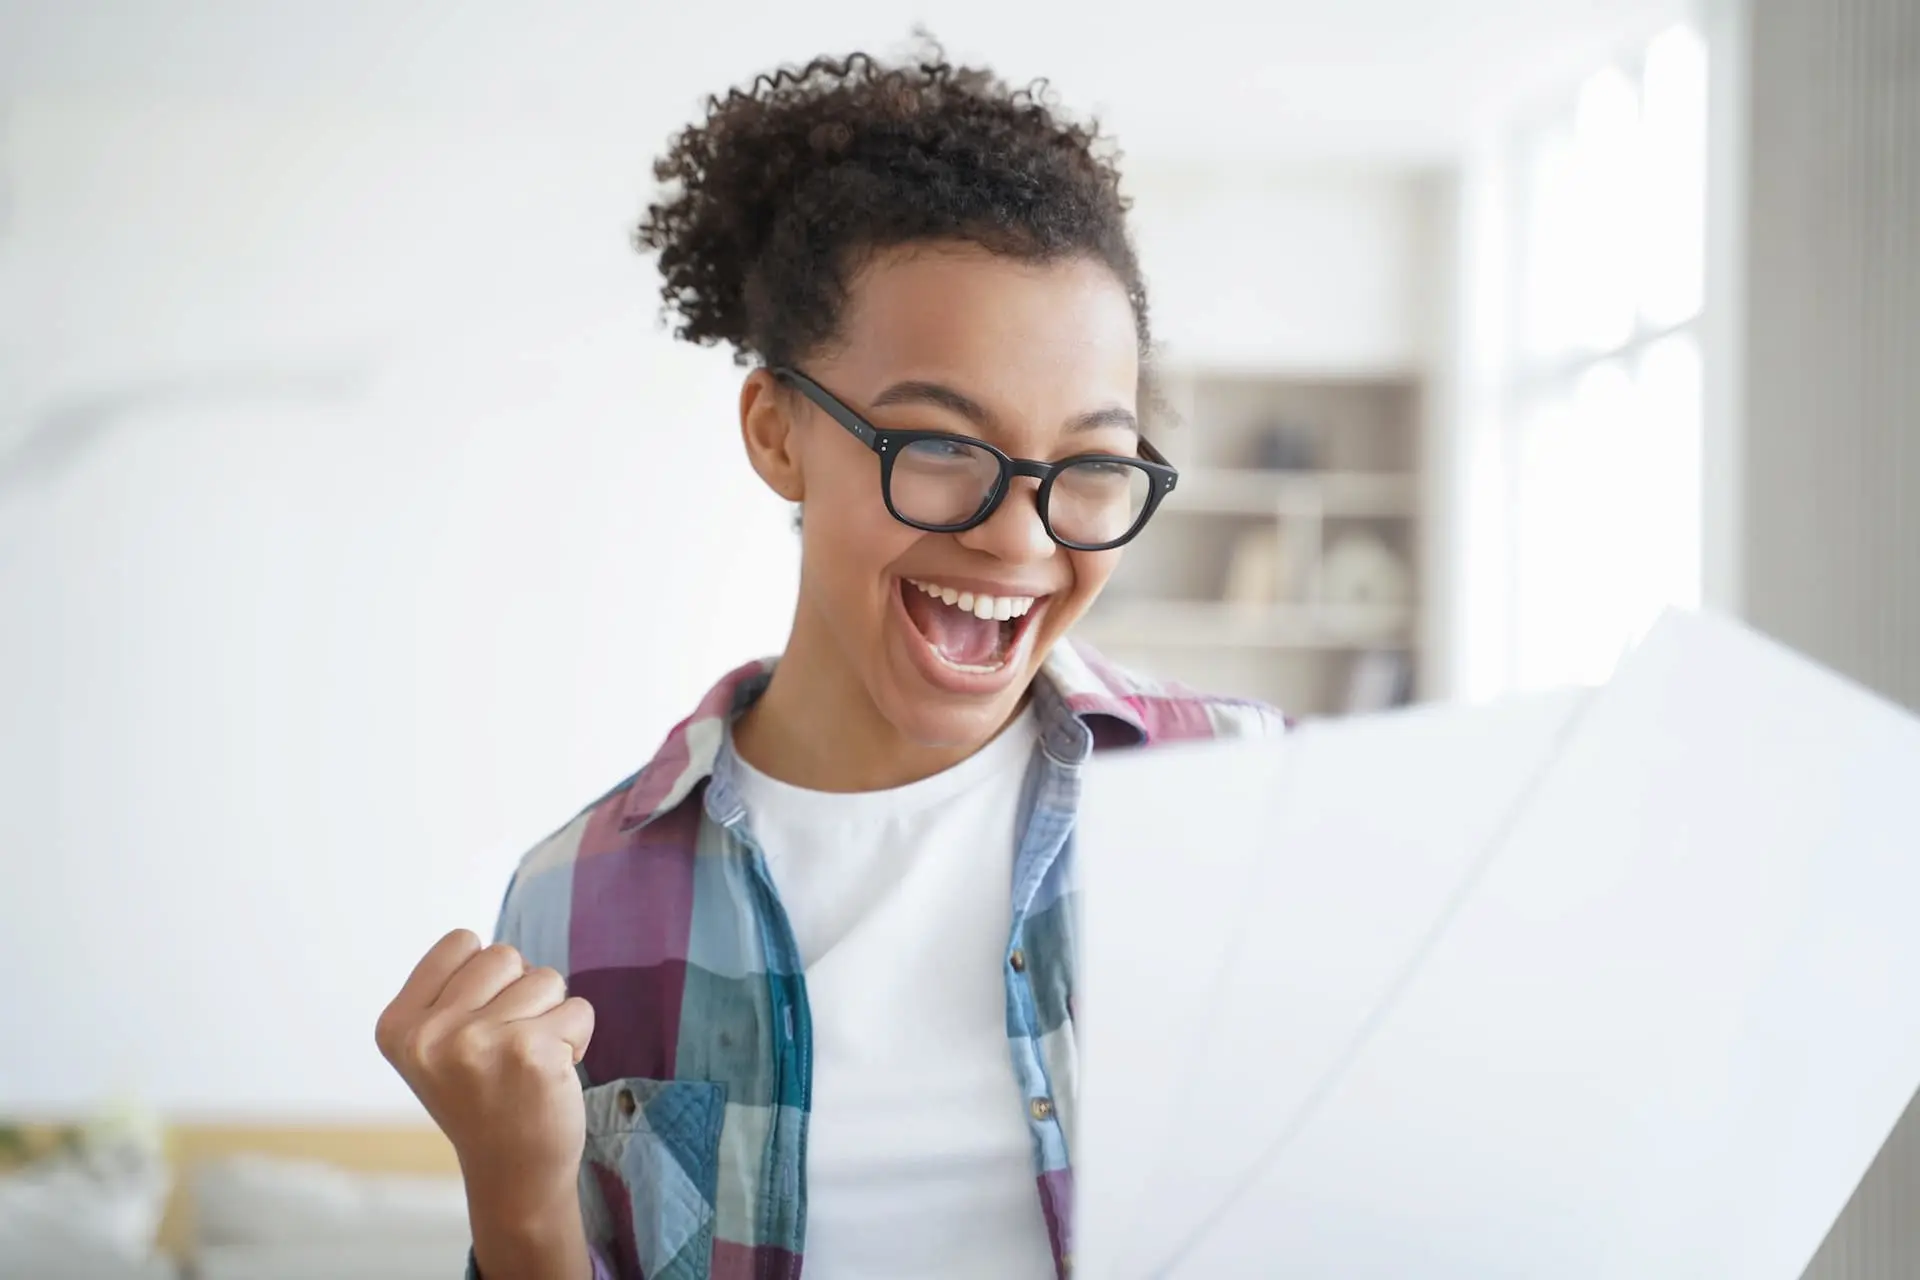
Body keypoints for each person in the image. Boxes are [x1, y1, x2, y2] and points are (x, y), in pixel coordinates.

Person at [375, 41, 1283, 1280]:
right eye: (941, 446)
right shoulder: (574, 902)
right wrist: (520, 1214)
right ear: (778, 432)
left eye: (1090, 463)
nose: (1020, 537)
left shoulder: (1251, 796)